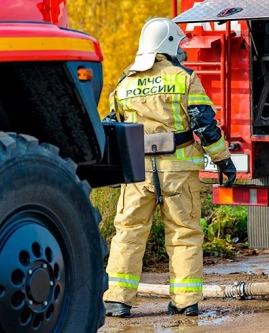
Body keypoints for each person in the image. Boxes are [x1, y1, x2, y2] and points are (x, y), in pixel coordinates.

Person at [102, 17, 237, 318]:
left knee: (128, 232)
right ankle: (185, 301)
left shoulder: (125, 83)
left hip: (138, 172)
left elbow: (113, 128)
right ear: (170, 44)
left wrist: (114, 170)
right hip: (178, 171)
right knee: (184, 234)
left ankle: (117, 300)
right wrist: (223, 161)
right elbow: (205, 125)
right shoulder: (184, 78)